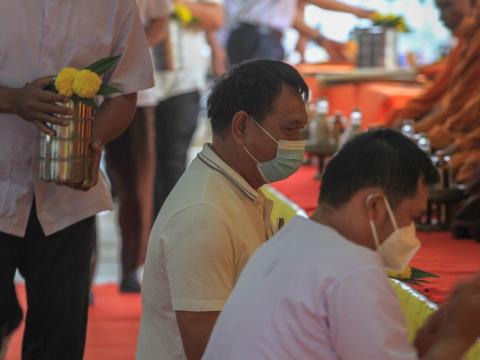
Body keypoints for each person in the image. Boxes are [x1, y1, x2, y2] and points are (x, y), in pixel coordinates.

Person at [204, 129, 480, 360]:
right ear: (375, 206)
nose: (412, 232)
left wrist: (423, 344)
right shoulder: (353, 269)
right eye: (411, 217)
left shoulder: (284, 244)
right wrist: (457, 338)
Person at [0, 1, 153, 359]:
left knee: (60, 340)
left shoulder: (114, 5)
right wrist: (12, 100)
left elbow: (125, 91)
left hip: (67, 200)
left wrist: (93, 141)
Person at [137, 59, 309, 360]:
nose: (298, 144)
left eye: (301, 130)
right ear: (242, 126)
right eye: (290, 130)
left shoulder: (234, 189)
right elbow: (207, 349)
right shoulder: (203, 215)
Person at [105, 0, 171, 293]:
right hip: (75, 90)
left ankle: (131, 266)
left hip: (134, 93)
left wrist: (130, 51)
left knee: (137, 188)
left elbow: (161, 20)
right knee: (73, 181)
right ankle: (79, 276)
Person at [152, 0, 225, 220]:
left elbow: (216, 18)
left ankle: (169, 234)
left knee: (173, 161)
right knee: (140, 169)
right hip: (139, 84)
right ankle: (141, 244)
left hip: (184, 83)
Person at [224, 0, 374, 65]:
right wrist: (358, 11)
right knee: (258, 100)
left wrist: (321, 39)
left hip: (254, 37)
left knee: (252, 99)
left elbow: (288, 17)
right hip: (258, 39)